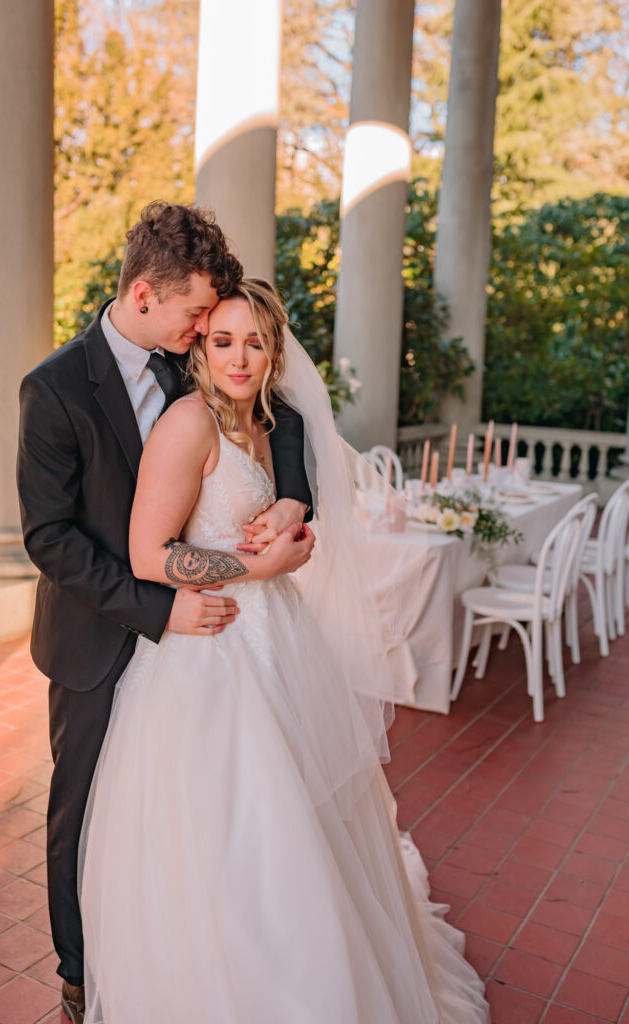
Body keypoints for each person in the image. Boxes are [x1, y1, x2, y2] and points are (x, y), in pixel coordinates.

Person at [78, 278, 491, 1023]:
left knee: (306, 815)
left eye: (255, 342)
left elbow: (296, 476)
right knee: (233, 831)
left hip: (278, 642)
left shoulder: (265, 421)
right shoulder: (189, 424)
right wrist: (257, 566)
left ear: (274, 352)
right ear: (201, 343)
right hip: (209, 650)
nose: (239, 357)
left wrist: (294, 511)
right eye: (224, 339)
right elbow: (147, 554)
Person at [16, 204, 314, 1024]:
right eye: (195, 314)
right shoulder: (52, 388)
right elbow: (50, 540)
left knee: (186, 812)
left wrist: (291, 500)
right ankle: (82, 975)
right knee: (83, 814)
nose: (206, 330)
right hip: (97, 634)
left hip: (205, 633)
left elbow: (273, 421)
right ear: (144, 293)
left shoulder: (197, 358)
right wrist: (160, 609)